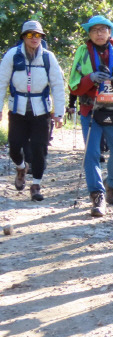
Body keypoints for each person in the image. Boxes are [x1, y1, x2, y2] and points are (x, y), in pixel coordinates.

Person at [69, 15, 113, 217]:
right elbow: (73, 84)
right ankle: (97, 195)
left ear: (110, 32)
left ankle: (112, 185)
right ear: (89, 33)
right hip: (91, 110)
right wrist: (91, 78)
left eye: (102, 29)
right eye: (94, 30)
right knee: (92, 154)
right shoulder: (82, 52)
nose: (98, 33)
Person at [0, 20, 65, 201]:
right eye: (30, 35)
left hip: (41, 110)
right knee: (14, 146)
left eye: (38, 35)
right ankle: (21, 167)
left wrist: (59, 112)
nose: (34, 38)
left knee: (39, 148)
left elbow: (57, 85)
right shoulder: (12, 55)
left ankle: (36, 184)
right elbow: (1, 82)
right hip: (17, 109)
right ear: (23, 37)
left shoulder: (47, 57)